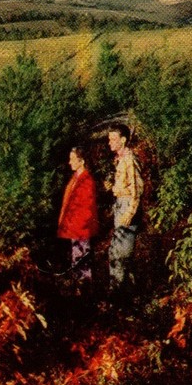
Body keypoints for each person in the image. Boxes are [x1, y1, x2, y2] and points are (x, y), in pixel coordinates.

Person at [106, 124, 143, 297]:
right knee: (117, 252)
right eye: (109, 139)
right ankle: (129, 294)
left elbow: (137, 189)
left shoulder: (129, 159)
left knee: (120, 254)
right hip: (120, 204)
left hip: (127, 208)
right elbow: (123, 184)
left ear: (123, 140)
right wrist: (111, 186)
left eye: (113, 139)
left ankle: (118, 295)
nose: (109, 143)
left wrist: (130, 213)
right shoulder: (119, 159)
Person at [56, 146, 100, 286]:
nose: (70, 162)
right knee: (77, 257)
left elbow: (86, 209)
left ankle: (84, 288)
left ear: (82, 161)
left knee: (82, 258)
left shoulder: (86, 181)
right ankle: (80, 286)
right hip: (75, 227)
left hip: (80, 228)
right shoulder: (76, 178)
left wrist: (77, 226)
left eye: (72, 159)